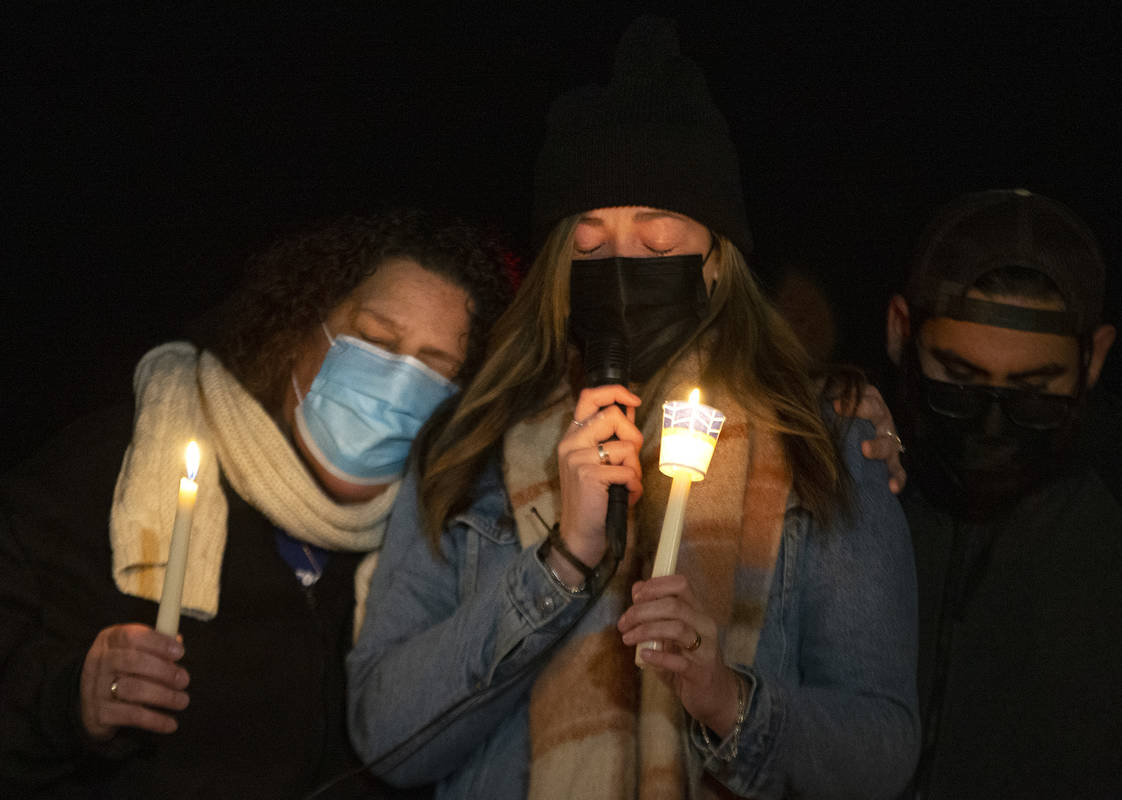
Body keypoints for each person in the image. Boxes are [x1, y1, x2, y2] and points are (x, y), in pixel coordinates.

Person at [348, 17, 919, 799]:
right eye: (589, 248)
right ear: (557, 264)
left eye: (657, 248)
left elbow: (882, 748)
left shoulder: (825, 442)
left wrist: (726, 699)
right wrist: (562, 563)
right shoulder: (470, 446)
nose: (620, 270)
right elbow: (387, 734)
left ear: (717, 261)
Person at [0, 209, 512, 798]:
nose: (398, 383)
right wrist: (70, 700)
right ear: (298, 328)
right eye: (374, 341)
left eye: (433, 366)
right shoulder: (104, 475)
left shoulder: (438, 548)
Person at [884, 188, 1122, 796]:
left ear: (1094, 358)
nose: (992, 427)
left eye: (1033, 390)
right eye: (958, 381)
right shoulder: (850, 478)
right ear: (900, 333)